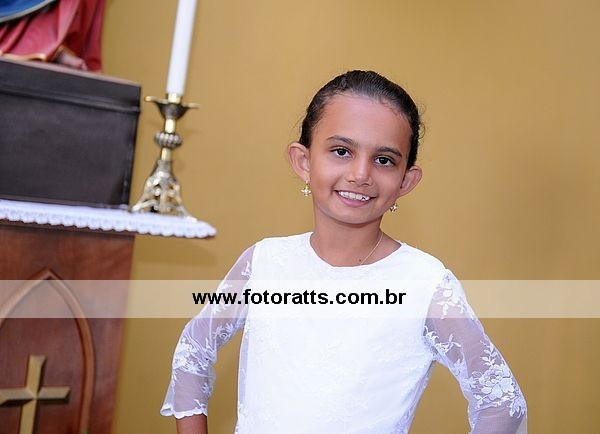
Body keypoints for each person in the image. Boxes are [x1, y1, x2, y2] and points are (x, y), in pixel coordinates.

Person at [161, 70, 528, 433]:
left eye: (384, 160)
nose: (360, 174)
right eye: (341, 151)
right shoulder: (265, 263)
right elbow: (194, 348)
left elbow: (502, 403)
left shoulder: (425, 285)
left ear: (406, 180)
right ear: (304, 161)